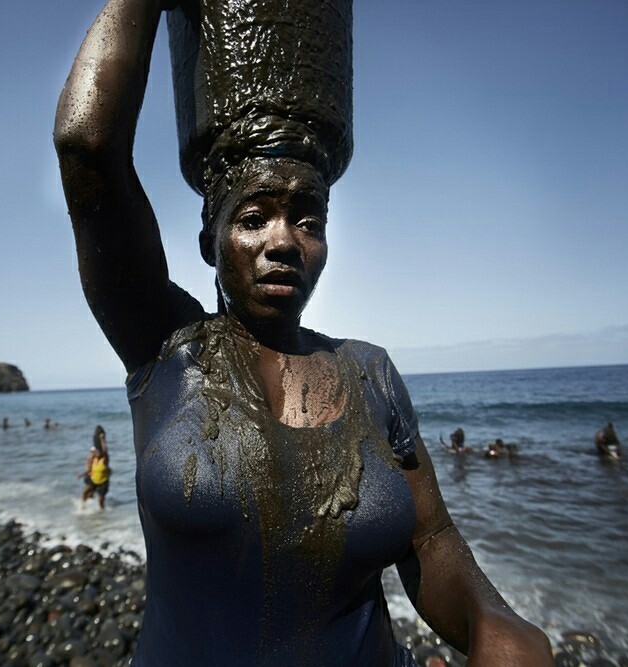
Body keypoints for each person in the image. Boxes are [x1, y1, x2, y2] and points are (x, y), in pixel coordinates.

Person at [54, 1, 552, 664]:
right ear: (210, 239)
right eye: (254, 217)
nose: (283, 241)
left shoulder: (369, 372)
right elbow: (88, 146)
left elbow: (431, 540)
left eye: (309, 220)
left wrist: (493, 620)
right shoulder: (166, 346)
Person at [78, 425, 111, 509]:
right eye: (94, 452)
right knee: (85, 493)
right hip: (94, 480)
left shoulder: (104, 460)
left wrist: (102, 439)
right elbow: (89, 469)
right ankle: (82, 507)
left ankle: (101, 513)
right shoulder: (93, 459)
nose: (96, 452)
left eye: (97, 451)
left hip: (103, 483)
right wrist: (82, 474)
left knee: (101, 501)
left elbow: (104, 450)